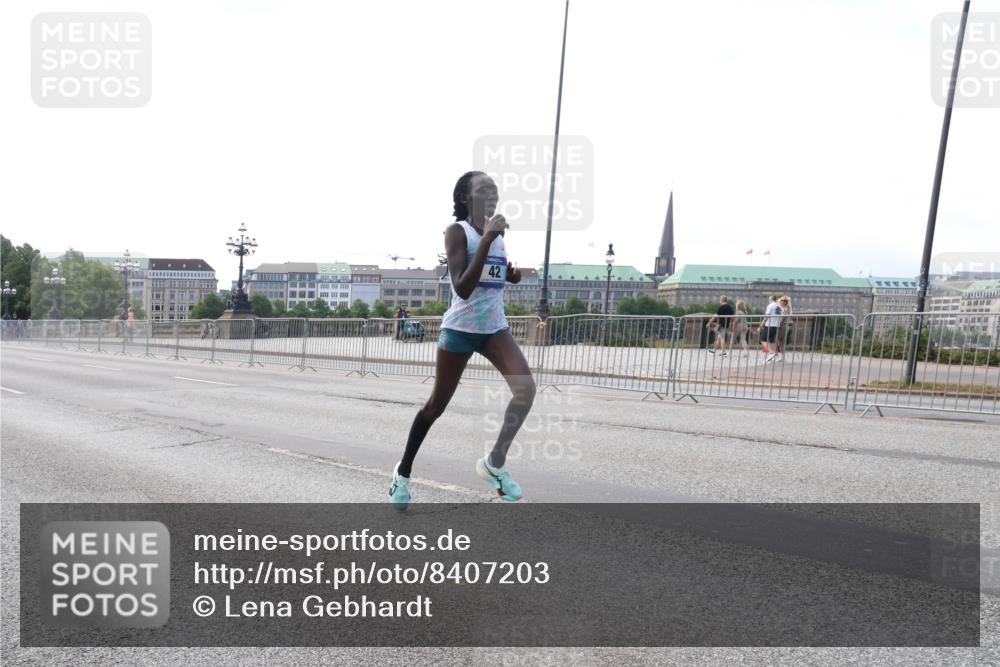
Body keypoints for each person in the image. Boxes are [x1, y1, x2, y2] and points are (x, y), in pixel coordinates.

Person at [388, 171, 534, 511]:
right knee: (436, 406)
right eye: (485, 189)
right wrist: (484, 242)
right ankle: (403, 472)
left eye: (495, 189)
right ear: (467, 198)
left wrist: (508, 275)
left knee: (526, 389)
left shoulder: (497, 236)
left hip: (494, 329)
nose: (493, 193)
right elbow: (462, 288)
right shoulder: (459, 232)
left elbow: (487, 278)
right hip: (460, 329)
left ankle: (494, 463)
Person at [763, 294, 782, 363]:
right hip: (776, 325)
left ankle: (772, 354)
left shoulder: (770, 305)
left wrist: (761, 325)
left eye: (769, 299)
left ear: (771, 299)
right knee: (772, 341)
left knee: (763, 340)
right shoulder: (779, 306)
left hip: (769, 325)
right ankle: (774, 356)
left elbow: (767, 316)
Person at [776, 295, 793, 361]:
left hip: (782, 326)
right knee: (780, 342)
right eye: (782, 301)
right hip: (783, 326)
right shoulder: (782, 307)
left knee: (779, 342)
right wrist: (785, 298)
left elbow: (784, 318)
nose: (783, 302)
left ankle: (779, 356)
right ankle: (781, 357)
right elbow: (777, 301)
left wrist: (788, 299)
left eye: (784, 301)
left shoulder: (787, 308)